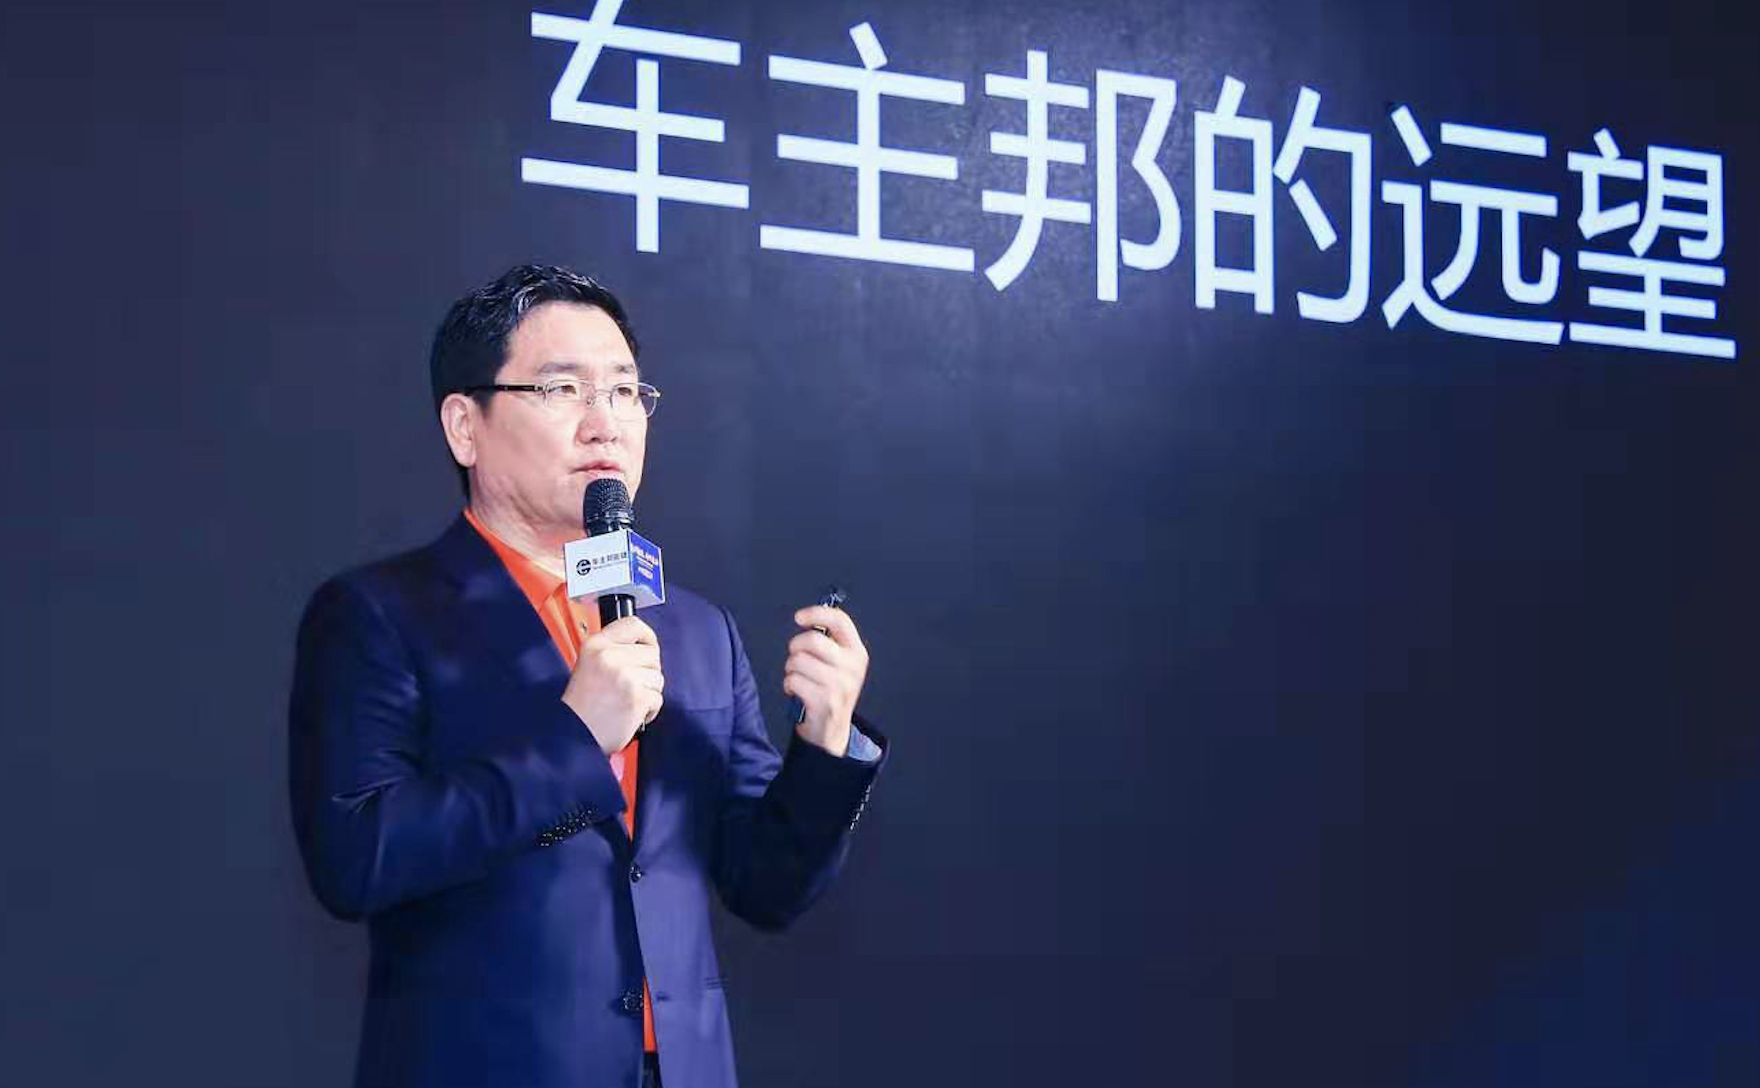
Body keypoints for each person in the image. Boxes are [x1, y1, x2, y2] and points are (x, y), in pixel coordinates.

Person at [289, 264, 886, 1088]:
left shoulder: (697, 632)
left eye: (625, 392)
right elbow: (357, 858)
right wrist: (574, 740)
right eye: (563, 389)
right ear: (465, 426)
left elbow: (768, 886)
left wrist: (823, 745)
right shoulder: (379, 613)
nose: (605, 423)